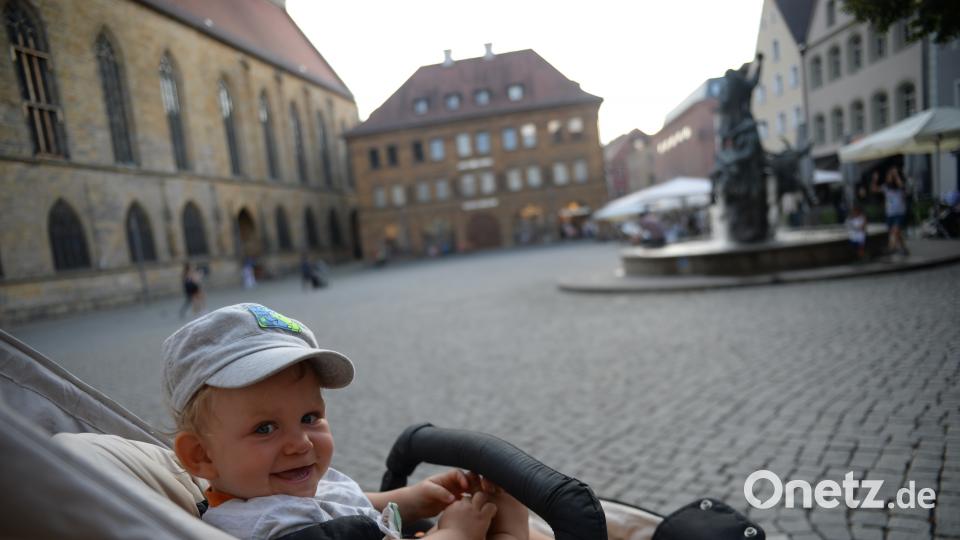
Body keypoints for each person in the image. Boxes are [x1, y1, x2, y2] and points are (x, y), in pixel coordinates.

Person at [164, 304, 533, 540]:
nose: (302, 443)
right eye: (265, 428)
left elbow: (341, 506)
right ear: (201, 456)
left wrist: (409, 500)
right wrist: (454, 534)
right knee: (514, 518)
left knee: (501, 504)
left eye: (310, 417)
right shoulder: (266, 529)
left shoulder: (271, 491)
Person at [871, 168, 909, 256]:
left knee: (895, 231)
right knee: (897, 233)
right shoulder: (886, 187)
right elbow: (874, 189)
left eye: (890, 176)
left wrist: (895, 175)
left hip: (900, 213)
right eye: (889, 176)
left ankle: (891, 248)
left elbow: (901, 185)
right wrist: (874, 179)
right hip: (890, 213)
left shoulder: (900, 187)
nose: (889, 178)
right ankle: (904, 249)